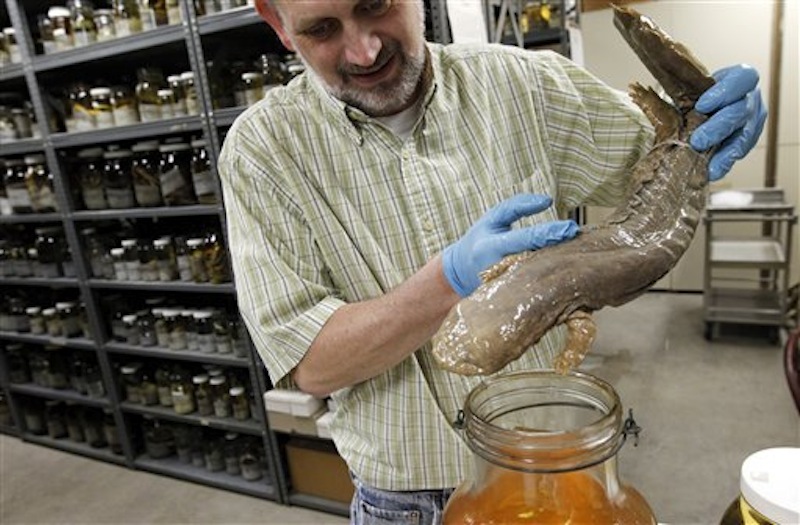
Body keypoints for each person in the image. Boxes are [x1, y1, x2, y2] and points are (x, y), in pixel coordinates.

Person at [217, 0, 766, 522]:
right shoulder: (263, 151)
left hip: (556, 468)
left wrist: (718, 122)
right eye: (322, 29)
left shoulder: (521, 84)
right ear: (278, 23)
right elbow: (311, 367)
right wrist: (449, 278)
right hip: (403, 503)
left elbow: (667, 151)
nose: (363, 51)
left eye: (375, 5)